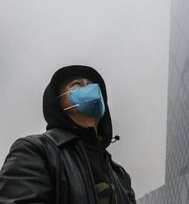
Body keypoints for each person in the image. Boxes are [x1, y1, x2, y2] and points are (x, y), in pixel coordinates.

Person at [0, 65, 136, 204]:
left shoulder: (119, 174)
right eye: (77, 84)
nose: (90, 89)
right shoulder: (35, 151)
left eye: (91, 85)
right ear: (58, 101)